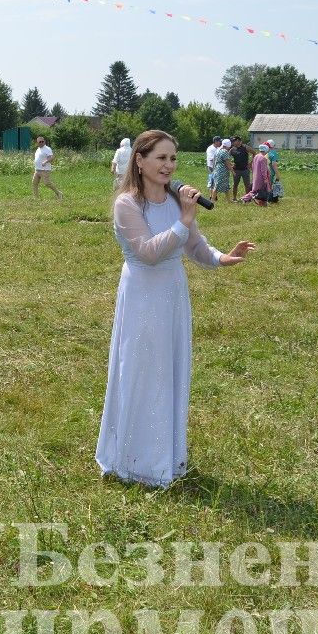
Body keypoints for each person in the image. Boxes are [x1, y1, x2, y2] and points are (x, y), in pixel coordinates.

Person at [96, 130, 255, 487]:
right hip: (142, 296)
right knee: (140, 369)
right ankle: (132, 460)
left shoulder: (175, 201)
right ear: (139, 160)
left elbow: (195, 246)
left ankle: (163, 456)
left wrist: (222, 257)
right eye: (161, 158)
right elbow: (149, 253)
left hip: (172, 295)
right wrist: (183, 218)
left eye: (173, 159)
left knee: (168, 369)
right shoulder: (127, 204)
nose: (169, 166)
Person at [32, 135, 64, 200]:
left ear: (44, 141)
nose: (41, 143)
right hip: (37, 170)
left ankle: (59, 193)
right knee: (34, 183)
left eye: (42, 141)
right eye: (39, 142)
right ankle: (36, 198)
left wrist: (45, 162)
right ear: (37, 143)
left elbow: (51, 158)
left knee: (47, 183)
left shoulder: (47, 149)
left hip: (45, 170)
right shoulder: (38, 149)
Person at [209, 137, 232, 206]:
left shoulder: (219, 150)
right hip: (222, 171)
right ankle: (212, 201)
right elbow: (227, 163)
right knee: (217, 186)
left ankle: (229, 200)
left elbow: (221, 161)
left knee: (226, 186)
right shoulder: (224, 151)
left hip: (218, 170)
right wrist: (233, 171)